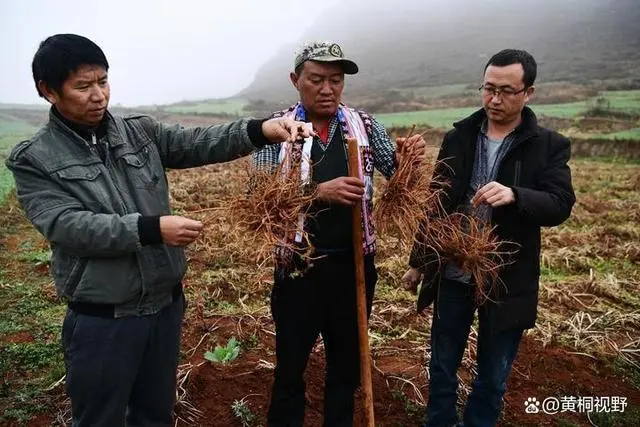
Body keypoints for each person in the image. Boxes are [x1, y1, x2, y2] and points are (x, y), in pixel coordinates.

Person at [5, 33, 312, 427]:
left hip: (164, 307)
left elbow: (198, 142)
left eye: (102, 81)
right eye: (83, 86)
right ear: (48, 91)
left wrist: (261, 130)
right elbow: (67, 226)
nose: (98, 95)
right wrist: (152, 228)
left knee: (154, 415)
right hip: (104, 317)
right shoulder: (36, 159)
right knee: (100, 418)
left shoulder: (138, 132)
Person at [252, 40, 426, 426]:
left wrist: (409, 161)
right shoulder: (278, 130)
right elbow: (259, 201)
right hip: (298, 268)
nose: (327, 89)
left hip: (354, 268)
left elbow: (398, 179)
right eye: (316, 79)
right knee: (290, 368)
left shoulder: (364, 126)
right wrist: (318, 193)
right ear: (296, 80)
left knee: (345, 369)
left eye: (335, 80)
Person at [402, 49, 576, 427]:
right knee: (443, 364)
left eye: (507, 91)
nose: (495, 99)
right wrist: (419, 261)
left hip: (505, 278)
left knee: (493, 376)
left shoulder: (548, 145)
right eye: (488, 89)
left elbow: (561, 204)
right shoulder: (459, 136)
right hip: (452, 271)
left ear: (528, 92)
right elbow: (437, 202)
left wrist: (516, 195)